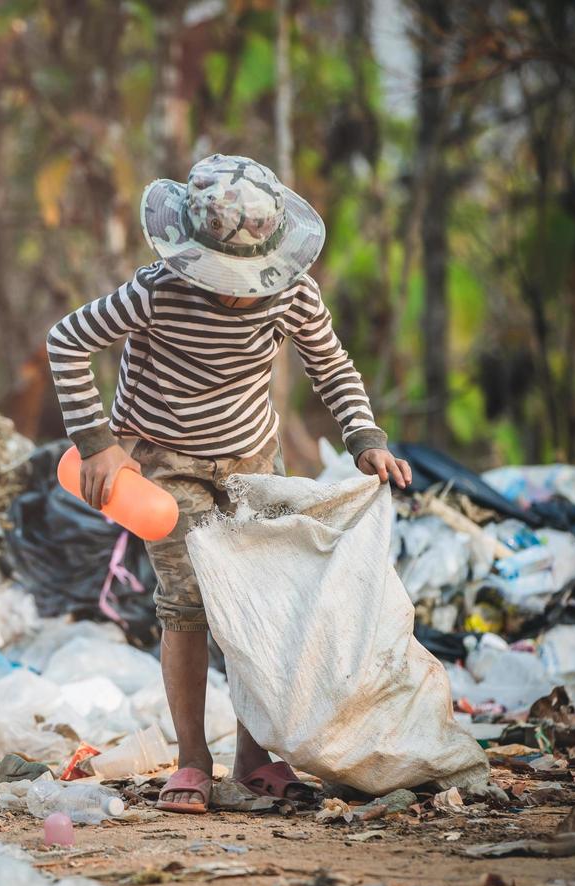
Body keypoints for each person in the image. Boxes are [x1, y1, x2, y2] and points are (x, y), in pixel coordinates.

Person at [46, 153, 412, 813]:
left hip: (252, 461)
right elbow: (67, 340)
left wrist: (366, 438)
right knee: (186, 603)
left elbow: (331, 365)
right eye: (222, 275)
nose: (236, 291)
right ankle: (193, 760)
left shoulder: (292, 292)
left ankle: (254, 757)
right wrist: (97, 445)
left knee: (257, 605)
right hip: (164, 461)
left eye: (247, 277)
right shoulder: (157, 290)